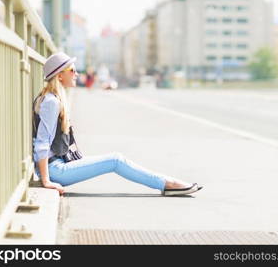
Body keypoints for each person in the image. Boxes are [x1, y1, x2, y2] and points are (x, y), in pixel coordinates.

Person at [32, 52, 203, 196]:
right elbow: (42, 142)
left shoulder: (54, 99)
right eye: (72, 70)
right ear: (60, 76)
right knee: (115, 160)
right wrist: (46, 181)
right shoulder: (51, 102)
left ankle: (167, 183)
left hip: (59, 164)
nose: (77, 74)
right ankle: (167, 184)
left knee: (115, 159)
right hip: (55, 169)